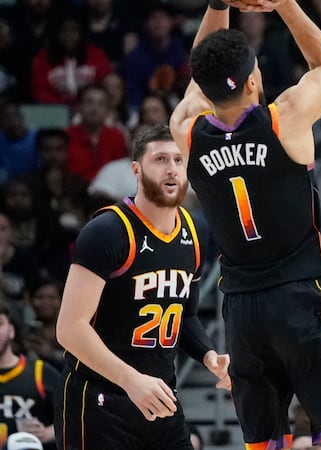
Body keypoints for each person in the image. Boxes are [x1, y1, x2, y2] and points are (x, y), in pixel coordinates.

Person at [168, 1, 321, 449]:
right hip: (299, 296)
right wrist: (285, 4)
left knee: (264, 444)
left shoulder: (185, 131)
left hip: (241, 312)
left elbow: (199, 79)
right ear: (254, 79)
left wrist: (219, 4)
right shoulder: (285, 118)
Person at [53, 125, 230, 449]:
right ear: (136, 169)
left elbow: (185, 316)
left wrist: (208, 355)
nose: (172, 169)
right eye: (160, 159)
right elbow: (69, 329)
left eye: (179, 160)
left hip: (160, 399)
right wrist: (130, 380)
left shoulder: (195, 230)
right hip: (99, 401)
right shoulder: (107, 231)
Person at [0, 300, 59, 450]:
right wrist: (14, 430)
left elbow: (73, 417)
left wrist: (48, 433)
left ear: (11, 331)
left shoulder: (40, 371)